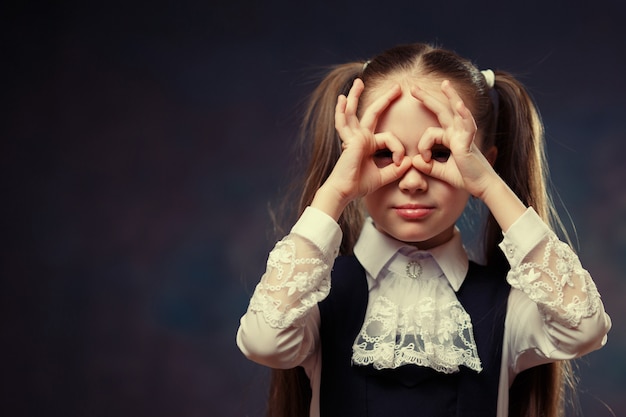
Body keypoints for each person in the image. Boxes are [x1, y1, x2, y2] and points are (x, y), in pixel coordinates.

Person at [236, 43, 611, 417]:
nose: (413, 181)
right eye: (383, 153)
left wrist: (491, 186)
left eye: (442, 152)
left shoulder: (508, 306)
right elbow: (264, 341)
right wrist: (335, 190)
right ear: (351, 157)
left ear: (483, 162)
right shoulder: (312, 296)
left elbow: (584, 327)